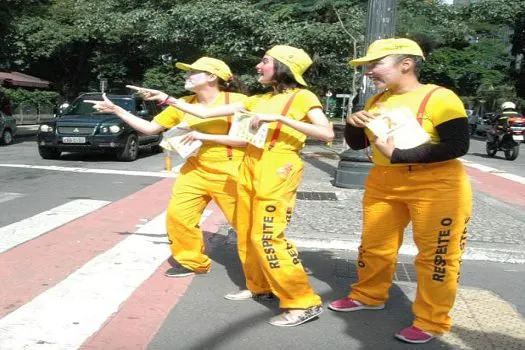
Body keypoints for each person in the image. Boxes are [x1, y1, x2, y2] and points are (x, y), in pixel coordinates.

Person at [133, 45, 334, 327]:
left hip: (278, 166)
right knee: (250, 235)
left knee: (268, 237)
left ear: (284, 67)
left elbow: (327, 133)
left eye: (265, 61)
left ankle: (303, 302)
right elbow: (202, 114)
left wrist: (279, 118)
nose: (258, 66)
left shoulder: (302, 96)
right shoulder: (258, 99)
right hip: (250, 165)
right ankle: (259, 288)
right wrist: (166, 98)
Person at [328, 38, 472, 344]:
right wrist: (353, 124)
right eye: (367, 66)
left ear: (405, 64)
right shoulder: (377, 101)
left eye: (375, 64)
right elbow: (359, 144)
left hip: (436, 186)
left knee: (438, 257)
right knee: (374, 246)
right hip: (384, 182)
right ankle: (369, 294)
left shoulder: (441, 98)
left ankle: (432, 320)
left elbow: (458, 145)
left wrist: (402, 156)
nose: (369, 71)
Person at [87, 57, 248, 278]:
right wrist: (117, 110)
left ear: (212, 76)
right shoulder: (184, 103)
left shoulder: (238, 100)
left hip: (232, 168)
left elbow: (246, 139)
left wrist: (201, 133)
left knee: (245, 222)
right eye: (187, 72)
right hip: (195, 168)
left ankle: (259, 267)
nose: (187, 76)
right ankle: (192, 261)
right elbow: (151, 128)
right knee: (178, 216)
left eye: (193, 72)